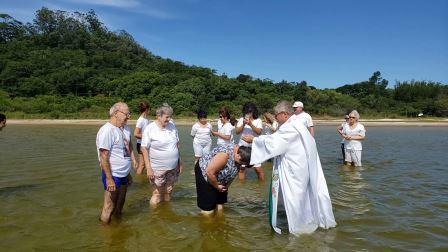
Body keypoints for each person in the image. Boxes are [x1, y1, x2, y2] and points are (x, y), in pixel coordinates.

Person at [243, 100, 336, 235]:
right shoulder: (296, 124)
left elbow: (276, 143)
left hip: (294, 169)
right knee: (301, 196)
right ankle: (304, 218)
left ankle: (299, 227)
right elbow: (277, 139)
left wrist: (255, 140)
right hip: (301, 165)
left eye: (276, 115)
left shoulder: (290, 127)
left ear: (284, 114)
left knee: (295, 197)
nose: (275, 117)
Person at [96, 102, 133, 224]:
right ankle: (106, 234)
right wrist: (109, 178)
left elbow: (124, 152)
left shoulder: (121, 129)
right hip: (113, 175)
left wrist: (128, 173)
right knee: (109, 206)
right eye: (127, 114)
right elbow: (103, 155)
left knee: (120, 202)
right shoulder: (107, 130)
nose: (128, 117)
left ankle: (118, 228)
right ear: (116, 113)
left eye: (129, 114)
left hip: (123, 174)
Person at [141, 103, 182, 206]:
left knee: (169, 191)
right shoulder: (150, 128)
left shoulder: (172, 126)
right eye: (167, 117)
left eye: (170, 116)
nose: (169, 119)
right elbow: (144, 149)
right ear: (158, 116)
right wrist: (148, 168)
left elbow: (177, 145)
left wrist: (179, 162)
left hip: (172, 167)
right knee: (157, 193)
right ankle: (154, 218)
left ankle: (166, 213)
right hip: (157, 168)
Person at [195, 144, 252, 214]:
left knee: (220, 201)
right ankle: (208, 222)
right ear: (238, 156)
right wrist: (217, 186)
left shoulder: (242, 155)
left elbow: (234, 172)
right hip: (206, 173)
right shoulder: (224, 155)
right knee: (208, 207)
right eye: (242, 163)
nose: (242, 165)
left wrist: (226, 186)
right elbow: (209, 172)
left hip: (221, 175)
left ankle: (220, 222)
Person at [235, 102, 264, 181]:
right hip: (242, 148)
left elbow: (259, 132)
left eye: (250, 112)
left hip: (254, 148)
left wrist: (251, 124)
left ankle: (261, 187)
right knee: (242, 169)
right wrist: (243, 124)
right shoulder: (241, 120)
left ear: (253, 111)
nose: (248, 113)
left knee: (258, 169)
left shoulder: (258, 120)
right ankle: (242, 189)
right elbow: (237, 132)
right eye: (247, 112)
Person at [134, 101, 151, 174]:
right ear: (147, 109)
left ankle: (145, 178)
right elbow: (136, 134)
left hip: (145, 144)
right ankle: (138, 179)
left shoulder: (146, 119)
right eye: (149, 109)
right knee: (142, 164)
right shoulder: (140, 120)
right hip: (140, 144)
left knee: (145, 163)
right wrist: (146, 137)